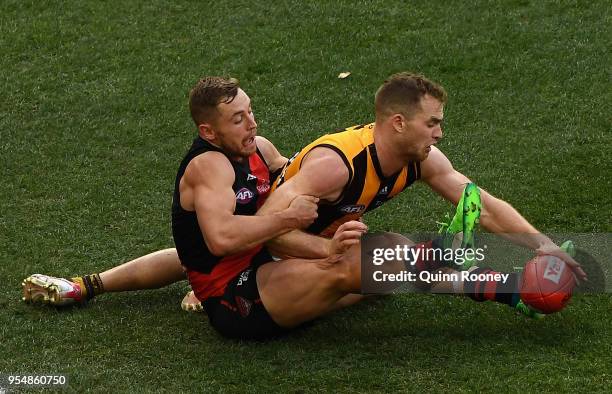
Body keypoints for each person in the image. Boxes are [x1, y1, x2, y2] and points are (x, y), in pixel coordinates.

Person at [23, 74, 585, 338]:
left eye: (250, 111)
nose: (440, 132)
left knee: (377, 267)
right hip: (245, 292)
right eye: (432, 122)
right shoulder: (235, 167)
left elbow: (481, 204)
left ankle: (87, 284)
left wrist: (542, 244)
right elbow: (231, 240)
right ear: (398, 122)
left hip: (264, 264)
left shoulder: (271, 154)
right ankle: (512, 290)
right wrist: (318, 239)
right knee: (365, 264)